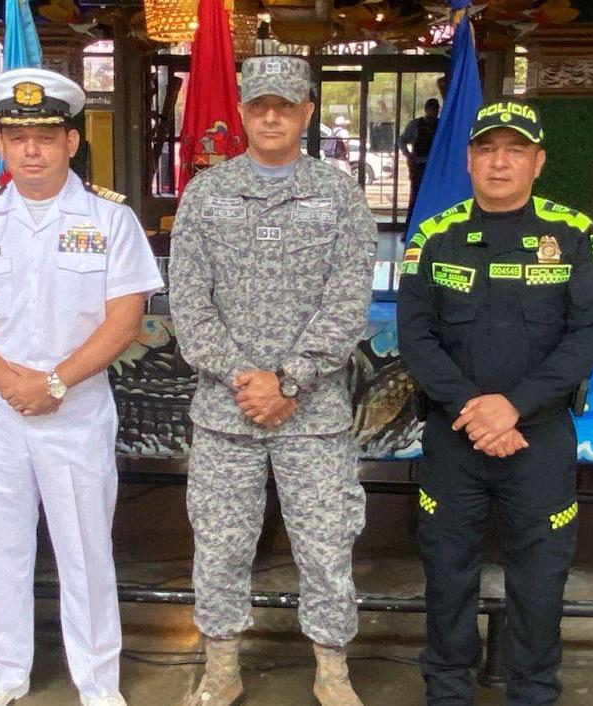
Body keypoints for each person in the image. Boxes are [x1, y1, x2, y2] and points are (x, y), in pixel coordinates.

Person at [0, 67, 163, 706]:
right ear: (0, 143)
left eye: (46, 135)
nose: (31, 148)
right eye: (17, 134)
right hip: (1, 410)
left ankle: (97, 680)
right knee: (1, 546)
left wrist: (55, 380)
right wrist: (10, 381)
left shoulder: (110, 219)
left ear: (71, 143)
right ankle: (0, 674)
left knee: (86, 552)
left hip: (76, 407)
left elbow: (126, 317)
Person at [168, 54, 378, 706]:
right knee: (222, 543)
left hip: (312, 414)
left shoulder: (339, 195)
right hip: (226, 411)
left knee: (324, 543)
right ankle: (222, 664)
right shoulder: (205, 195)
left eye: (285, 105)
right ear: (242, 111)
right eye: (259, 104)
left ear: (307, 113)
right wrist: (246, 379)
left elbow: (348, 303)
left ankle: (332, 667)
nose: (270, 116)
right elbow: (188, 307)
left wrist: (290, 380)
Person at [395, 98, 593, 706]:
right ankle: (445, 692)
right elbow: (415, 335)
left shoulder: (572, 235)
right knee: (446, 574)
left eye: (515, 150)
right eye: (487, 149)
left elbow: (590, 332)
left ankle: (535, 692)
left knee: (541, 580)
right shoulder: (434, 237)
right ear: (468, 159)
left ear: (538, 161)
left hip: (537, 440)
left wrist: (512, 407)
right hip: (454, 439)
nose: (499, 163)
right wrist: (476, 409)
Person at [400, 98, 442, 213]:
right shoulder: (416, 124)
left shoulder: (441, 126)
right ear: (426, 109)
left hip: (436, 167)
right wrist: (408, 155)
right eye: (432, 109)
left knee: (435, 198)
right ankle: (410, 227)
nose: (434, 111)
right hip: (419, 166)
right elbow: (402, 140)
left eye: (436, 109)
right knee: (416, 197)